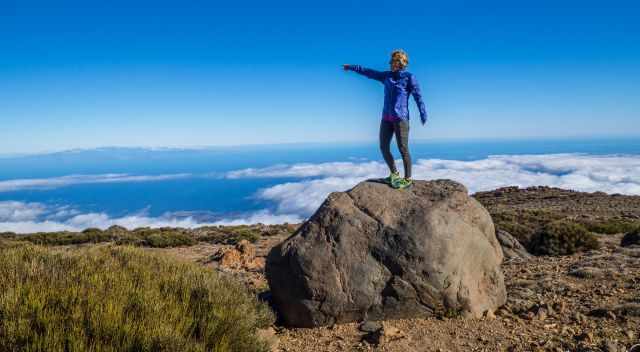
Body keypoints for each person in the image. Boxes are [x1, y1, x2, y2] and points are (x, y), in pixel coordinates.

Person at [343, 50, 427, 189]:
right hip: (386, 118)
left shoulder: (409, 78)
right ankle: (394, 173)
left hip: (401, 119)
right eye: (390, 61)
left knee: (403, 148)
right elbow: (368, 72)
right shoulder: (386, 76)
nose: (390, 64)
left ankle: (408, 179)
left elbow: (418, 97)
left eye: (393, 61)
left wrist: (423, 113)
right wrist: (351, 67)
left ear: (401, 63)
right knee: (383, 146)